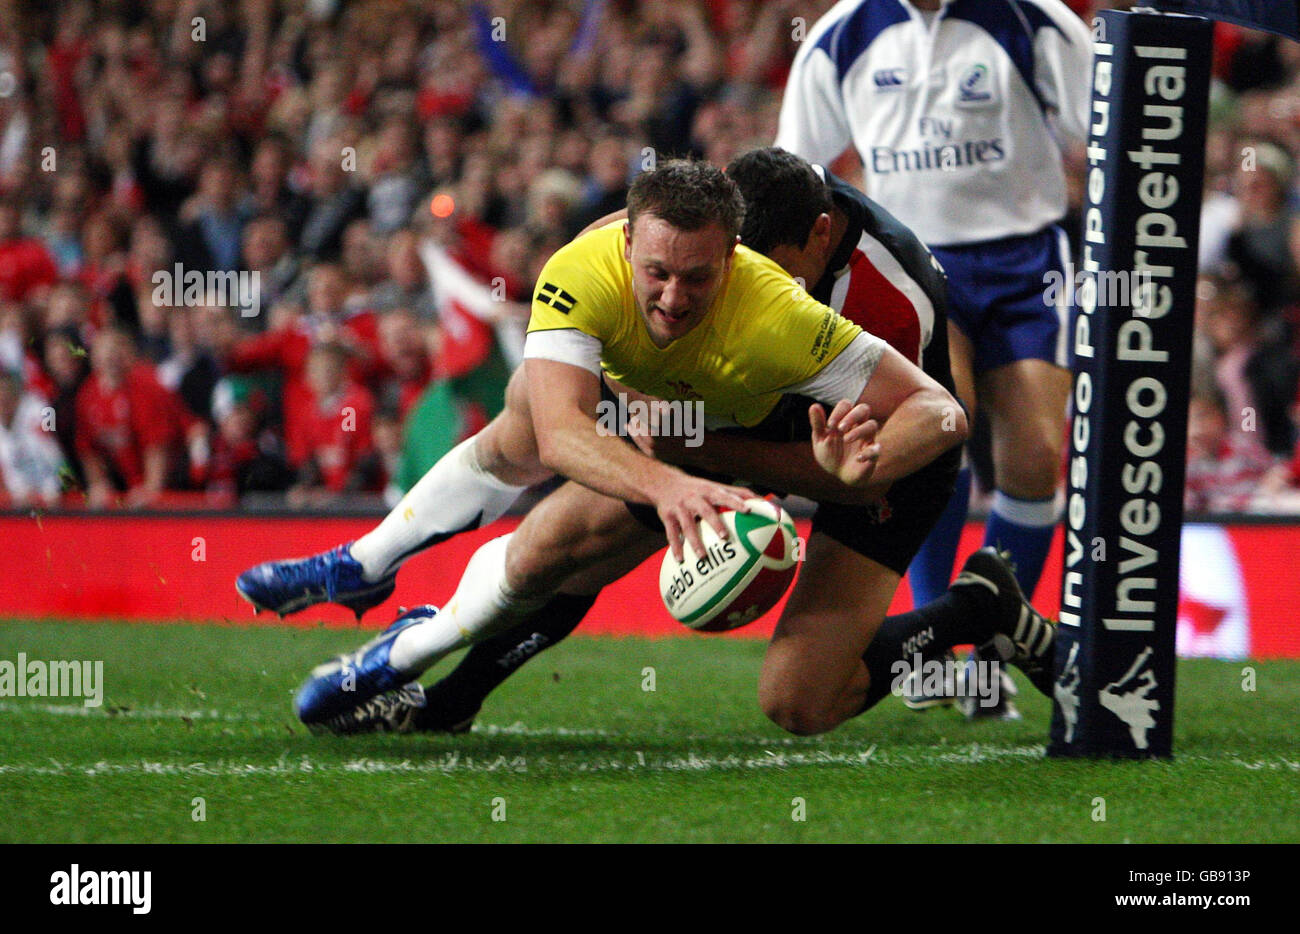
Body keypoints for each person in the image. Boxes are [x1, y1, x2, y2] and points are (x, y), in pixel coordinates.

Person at [278, 159, 1055, 737]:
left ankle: (972, 607)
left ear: (820, 243)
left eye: (760, 274)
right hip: (730, 423)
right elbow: (615, 292)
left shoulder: (886, 305)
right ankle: (447, 698)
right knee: (561, 538)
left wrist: (755, 467)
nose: (711, 294)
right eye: (721, 272)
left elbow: (918, 433)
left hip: (872, 462)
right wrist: (657, 419)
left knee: (799, 702)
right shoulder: (702, 234)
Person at [774, 0, 1092, 715]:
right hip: (913, 262)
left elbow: (1103, 123)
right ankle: (929, 651)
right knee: (942, 424)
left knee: (1038, 455)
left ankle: (991, 644)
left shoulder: (1033, 19)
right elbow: (794, 169)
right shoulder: (840, 34)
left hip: (1027, 263)